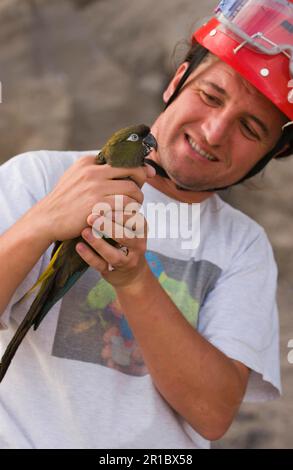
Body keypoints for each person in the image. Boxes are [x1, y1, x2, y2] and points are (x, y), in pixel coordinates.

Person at [0, 0, 292, 449]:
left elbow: (213, 415)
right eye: (210, 96)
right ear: (177, 80)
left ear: (272, 155)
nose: (214, 131)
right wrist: (43, 221)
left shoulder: (242, 247)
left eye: (250, 128)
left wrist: (135, 279)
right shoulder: (38, 176)